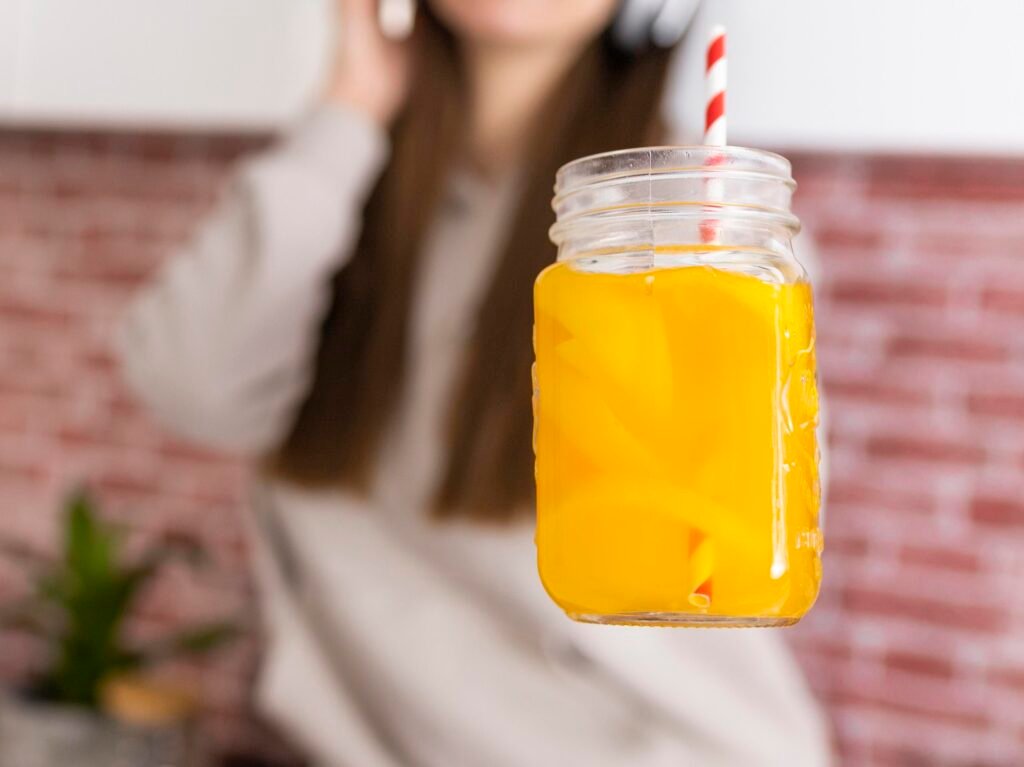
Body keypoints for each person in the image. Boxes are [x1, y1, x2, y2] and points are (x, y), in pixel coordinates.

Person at [118, 0, 831, 764]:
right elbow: (188, 385)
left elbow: (736, 540)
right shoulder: (342, 179)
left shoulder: (695, 233)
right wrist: (349, 102)